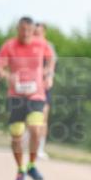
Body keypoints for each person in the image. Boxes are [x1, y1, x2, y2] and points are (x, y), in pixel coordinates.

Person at [0, 17, 52, 180]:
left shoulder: (40, 44)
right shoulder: (9, 46)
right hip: (16, 96)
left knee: (35, 129)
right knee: (17, 136)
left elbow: (50, 60)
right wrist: (7, 75)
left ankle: (32, 165)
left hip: (36, 94)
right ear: (17, 29)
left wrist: (48, 74)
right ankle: (20, 169)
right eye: (22, 30)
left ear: (32, 30)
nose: (25, 33)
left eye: (29, 30)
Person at [32, 22, 58, 159]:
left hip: (43, 86)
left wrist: (49, 77)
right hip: (29, 86)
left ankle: (40, 149)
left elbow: (52, 65)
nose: (37, 35)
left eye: (40, 32)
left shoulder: (49, 47)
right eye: (35, 33)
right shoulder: (28, 46)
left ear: (44, 33)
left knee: (43, 117)